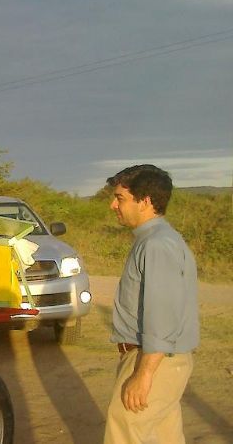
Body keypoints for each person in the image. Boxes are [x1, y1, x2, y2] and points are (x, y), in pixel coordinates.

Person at [103, 164, 199, 444]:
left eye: (120, 198)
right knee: (161, 436)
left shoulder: (157, 244)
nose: (113, 205)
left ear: (145, 202)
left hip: (154, 361)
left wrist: (144, 374)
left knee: (126, 430)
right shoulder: (154, 240)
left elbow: (162, 313)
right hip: (159, 359)